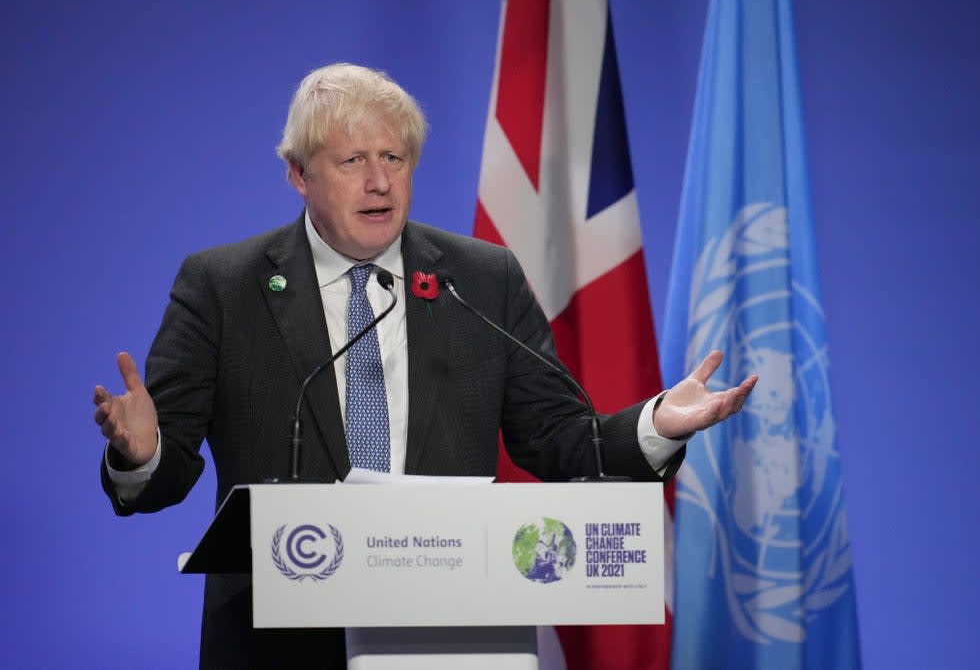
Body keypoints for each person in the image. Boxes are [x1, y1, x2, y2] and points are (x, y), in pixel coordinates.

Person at [93, 63, 757, 669]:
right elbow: (160, 475)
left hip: (450, 636)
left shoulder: (480, 278)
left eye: (395, 157)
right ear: (299, 174)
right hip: (280, 647)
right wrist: (143, 451)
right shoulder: (222, 286)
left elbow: (558, 436)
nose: (380, 181)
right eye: (352, 160)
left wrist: (657, 424)